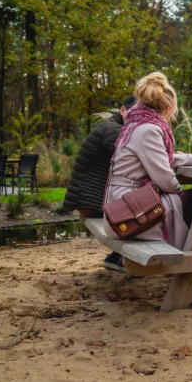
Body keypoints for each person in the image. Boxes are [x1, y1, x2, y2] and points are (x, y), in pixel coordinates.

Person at [104, 71, 192, 306]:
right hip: (130, 213)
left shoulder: (136, 125)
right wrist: (177, 188)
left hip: (124, 203)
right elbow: (166, 180)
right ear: (167, 108)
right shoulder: (150, 130)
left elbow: (164, 159)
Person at [63, 95, 136, 272]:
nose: (136, 118)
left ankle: (115, 257)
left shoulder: (114, 127)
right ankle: (122, 259)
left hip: (89, 199)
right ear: (122, 110)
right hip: (88, 202)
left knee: (139, 205)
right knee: (143, 211)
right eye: (133, 113)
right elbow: (134, 158)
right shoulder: (114, 130)